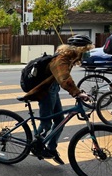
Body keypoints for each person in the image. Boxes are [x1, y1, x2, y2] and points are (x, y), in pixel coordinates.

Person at [24, 35, 92, 165]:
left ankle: (51, 148)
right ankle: (37, 145)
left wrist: (78, 91)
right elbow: (64, 78)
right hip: (45, 91)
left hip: (52, 89)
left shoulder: (69, 58)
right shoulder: (61, 59)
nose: (87, 53)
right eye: (86, 51)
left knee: (60, 121)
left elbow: (65, 78)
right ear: (79, 49)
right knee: (46, 123)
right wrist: (76, 93)